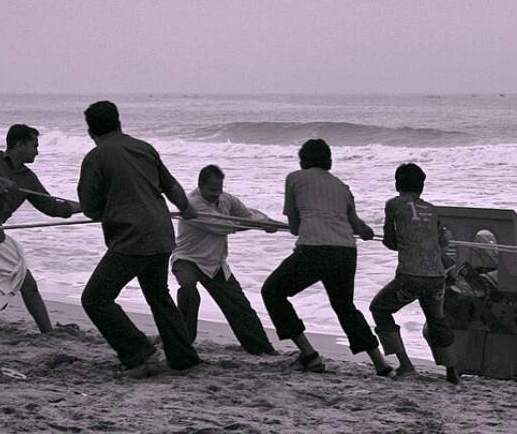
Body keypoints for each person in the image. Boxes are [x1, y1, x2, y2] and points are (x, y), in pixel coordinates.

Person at [77, 101, 201, 376]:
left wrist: (108, 207)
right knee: (158, 295)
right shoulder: (143, 147)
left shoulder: (95, 157)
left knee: (96, 299)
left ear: (90, 131)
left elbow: (89, 207)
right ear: (119, 123)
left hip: (132, 238)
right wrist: (187, 209)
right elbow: (171, 186)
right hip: (161, 233)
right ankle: (183, 358)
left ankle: (140, 354)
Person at [261, 139, 391, 376]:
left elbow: (294, 228)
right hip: (345, 252)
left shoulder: (295, 178)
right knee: (345, 307)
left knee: (272, 292)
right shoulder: (342, 186)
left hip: (314, 249)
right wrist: (366, 232)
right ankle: (381, 365)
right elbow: (359, 227)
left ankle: (309, 355)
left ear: (303, 160)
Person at [0, 124, 79, 332]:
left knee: (27, 282)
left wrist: (90, 207)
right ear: (19, 144)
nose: (37, 151)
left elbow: (53, 208)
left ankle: (48, 333)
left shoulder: (29, 178)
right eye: (34, 146)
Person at [171, 164, 277, 355]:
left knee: (240, 306)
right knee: (188, 289)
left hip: (215, 263)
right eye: (212, 190)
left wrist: (266, 221)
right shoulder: (192, 205)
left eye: (219, 189)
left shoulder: (226, 199)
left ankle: (262, 348)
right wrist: (257, 225)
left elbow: (247, 215)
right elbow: (223, 226)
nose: (216, 194)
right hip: (187, 259)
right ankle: (183, 342)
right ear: (200, 186)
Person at [370, 163, 458, 383]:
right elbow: (443, 241)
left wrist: (408, 243)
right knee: (437, 319)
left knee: (380, 308)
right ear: (422, 187)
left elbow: (390, 241)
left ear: (397, 184)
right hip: (437, 277)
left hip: (410, 276)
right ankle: (452, 373)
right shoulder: (432, 209)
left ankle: (406, 365)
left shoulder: (393, 205)